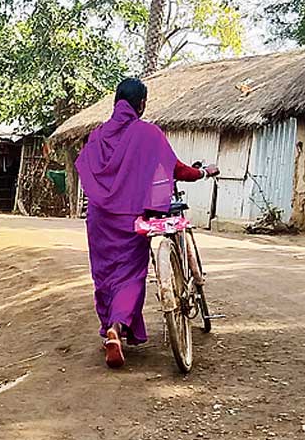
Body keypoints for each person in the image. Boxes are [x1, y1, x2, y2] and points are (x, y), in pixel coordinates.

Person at [76, 78, 218, 369]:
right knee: (130, 274)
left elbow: (84, 167)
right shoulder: (148, 133)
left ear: (117, 102)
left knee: (105, 275)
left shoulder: (97, 136)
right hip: (131, 218)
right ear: (140, 104)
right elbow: (177, 169)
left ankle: (111, 329)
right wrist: (203, 173)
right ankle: (117, 326)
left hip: (100, 220)